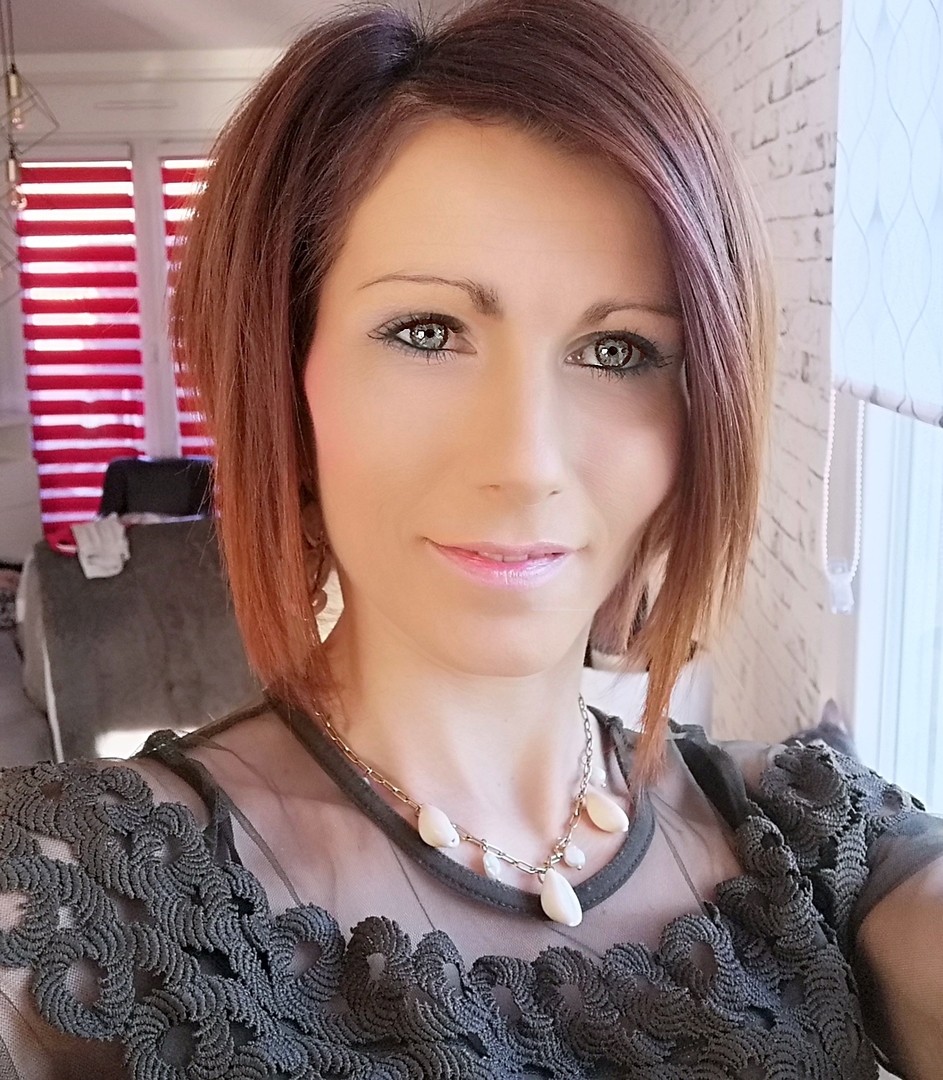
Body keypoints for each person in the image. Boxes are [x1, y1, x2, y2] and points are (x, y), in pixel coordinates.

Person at [1, 0, 941, 1076]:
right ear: (285, 379)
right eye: (426, 331)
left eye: (618, 350)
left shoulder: (808, 838)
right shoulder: (79, 893)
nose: (527, 459)